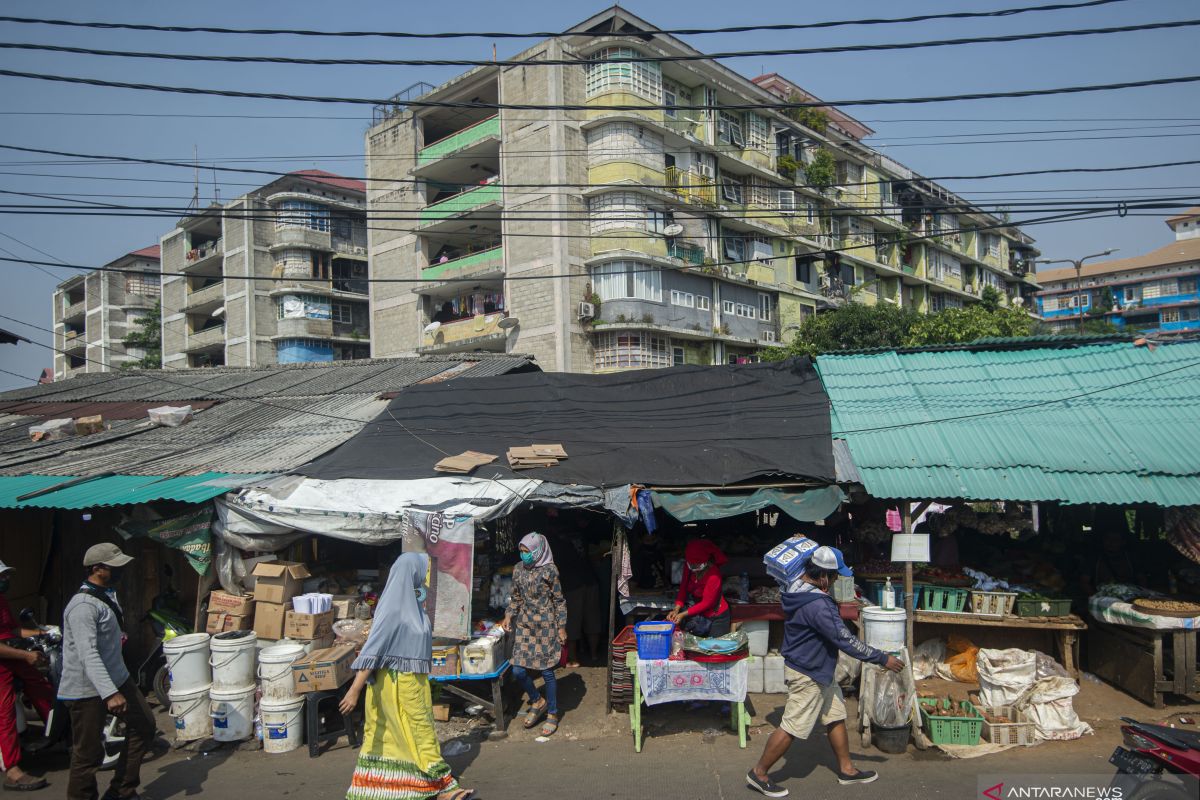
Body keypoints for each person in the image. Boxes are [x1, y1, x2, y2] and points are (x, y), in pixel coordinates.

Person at [747, 547, 905, 797]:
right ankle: (759, 772)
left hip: (816, 667)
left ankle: (847, 769)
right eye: (833, 577)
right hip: (808, 672)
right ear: (822, 576)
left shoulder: (795, 584)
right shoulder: (819, 606)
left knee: (835, 715)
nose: (835, 582)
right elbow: (846, 641)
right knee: (792, 726)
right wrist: (881, 658)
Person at [339, 552, 471, 800]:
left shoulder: (412, 604)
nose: (425, 578)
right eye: (423, 572)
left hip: (413, 683)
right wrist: (355, 689)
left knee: (406, 735)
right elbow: (373, 650)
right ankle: (444, 787)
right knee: (418, 732)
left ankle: (404, 787)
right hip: (397, 684)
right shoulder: (392, 609)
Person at [60, 543, 156, 800]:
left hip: (118, 678)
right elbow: (88, 654)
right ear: (97, 569)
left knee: (145, 726)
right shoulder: (82, 606)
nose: (121, 571)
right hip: (87, 688)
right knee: (87, 755)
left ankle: (122, 790)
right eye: (115, 567)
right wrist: (109, 693)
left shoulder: (106, 594)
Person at [501, 533, 567, 738]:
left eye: (527, 551)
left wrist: (562, 627)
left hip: (546, 627)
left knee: (547, 671)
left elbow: (559, 601)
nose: (524, 555)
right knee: (518, 670)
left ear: (538, 551)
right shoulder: (518, 570)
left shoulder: (550, 570)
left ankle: (553, 713)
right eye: (521, 551)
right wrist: (508, 615)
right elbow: (516, 597)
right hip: (525, 627)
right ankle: (537, 700)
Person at [0, 560, 52, 791]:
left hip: (11, 655)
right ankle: (12, 770)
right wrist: (24, 655)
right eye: (2, 577)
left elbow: (10, 630)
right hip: (4, 659)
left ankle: (57, 733)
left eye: (6, 576)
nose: (6, 580)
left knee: (42, 686)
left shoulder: (1, 600)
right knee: (5, 712)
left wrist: (44, 632)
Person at [546, 524, 601, 668]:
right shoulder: (581, 534)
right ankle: (594, 654)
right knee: (592, 618)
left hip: (572, 584)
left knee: (572, 622)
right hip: (590, 580)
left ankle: (573, 659)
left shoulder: (557, 541)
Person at [667, 540, 731, 637]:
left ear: (706, 561)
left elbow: (707, 603)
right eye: (690, 564)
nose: (693, 567)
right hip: (698, 616)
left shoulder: (714, 575)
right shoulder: (689, 567)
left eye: (696, 564)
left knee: (714, 648)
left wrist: (682, 614)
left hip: (716, 617)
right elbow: (683, 588)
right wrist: (676, 609)